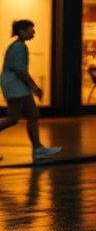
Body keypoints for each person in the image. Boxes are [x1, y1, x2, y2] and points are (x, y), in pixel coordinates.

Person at [0, 20, 61, 161]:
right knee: (13, 118)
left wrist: (32, 87)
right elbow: (20, 71)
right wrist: (34, 87)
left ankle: (38, 148)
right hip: (15, 87)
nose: (33, 32)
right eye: (30, 29)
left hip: (19, 88)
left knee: (33, 114)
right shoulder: (18, 47)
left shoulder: (19, 46)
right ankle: (38, 149)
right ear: (21, 31)